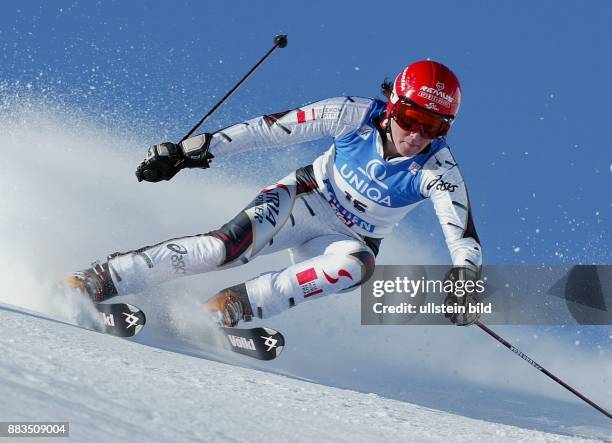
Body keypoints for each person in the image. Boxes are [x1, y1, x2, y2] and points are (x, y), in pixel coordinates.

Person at [65, 60, 483, 327]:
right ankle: (106, 277)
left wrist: (465, 278)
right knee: (224, 250)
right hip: (302, 199)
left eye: (435, 127)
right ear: (394, 106)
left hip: (347, 238)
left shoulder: (437, 169)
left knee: (357, 266)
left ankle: (233, 306)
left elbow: (461, 235)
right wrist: (196, 150)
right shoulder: (352, 114)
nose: (417, 135)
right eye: (411, 118)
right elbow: (272, 129)